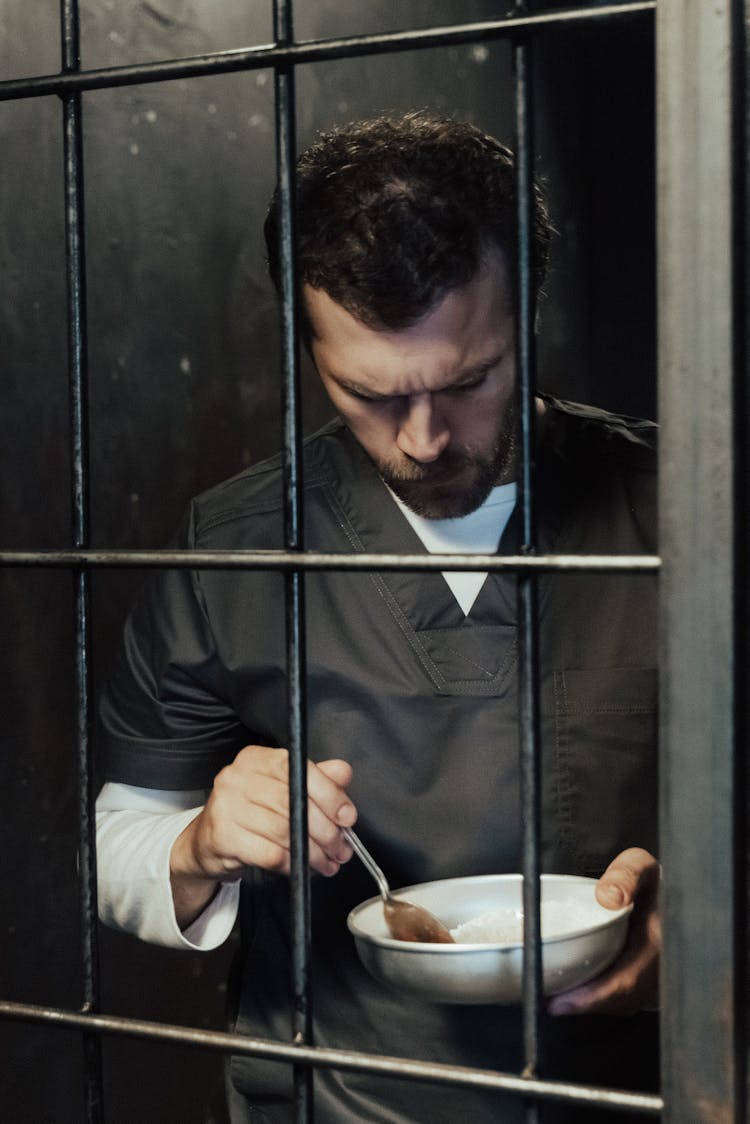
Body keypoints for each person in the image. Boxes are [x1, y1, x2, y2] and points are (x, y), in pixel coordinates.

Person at [96, 111, 661, 1123]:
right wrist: (202, 841)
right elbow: (116, 838)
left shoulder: (684, 509)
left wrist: (715, 923)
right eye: (368, 392)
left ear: (529, 311)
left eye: (470, 379)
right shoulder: (233, 545)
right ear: (307, 346)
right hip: (338, 1102)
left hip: (637, 1092)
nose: (425, 437)